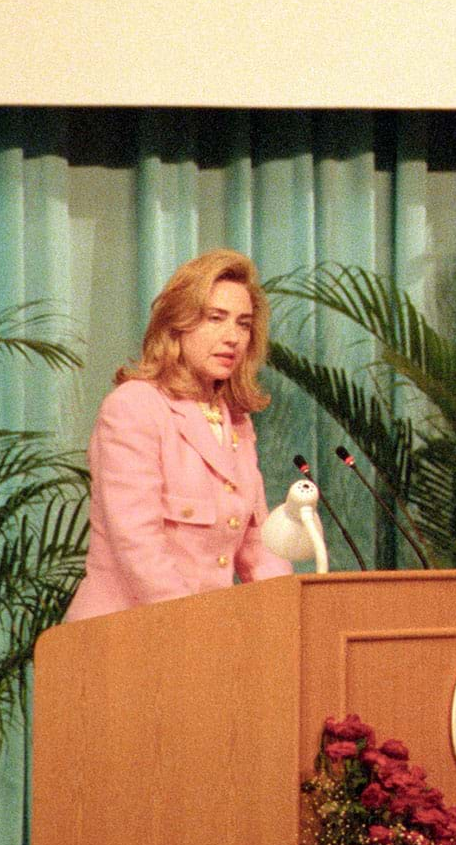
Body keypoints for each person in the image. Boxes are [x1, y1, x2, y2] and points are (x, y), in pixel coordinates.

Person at [64, 250, 292, 621]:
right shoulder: (134, 406)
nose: (232, 337)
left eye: (243, 324)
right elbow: (138, 546)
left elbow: (257, 545)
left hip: (201, 638)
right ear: (177, 325)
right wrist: (197, 628)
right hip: (125, 638)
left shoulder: (235, 419)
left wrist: (288, 619)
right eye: (215, 319)